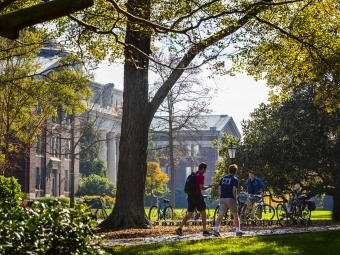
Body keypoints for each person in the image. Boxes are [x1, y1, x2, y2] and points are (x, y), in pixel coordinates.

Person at [176, 162, 213, 236]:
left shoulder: (194, 174)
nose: (205, 171)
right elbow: (201, 187)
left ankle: (180, 228)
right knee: (203, 212)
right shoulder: (201, 176)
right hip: (197, 196)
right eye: (205, 170)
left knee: (189, 213)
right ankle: (204, 230)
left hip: (190, 196)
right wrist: (209, 186)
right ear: (202, 169)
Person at [213, 164, 243, 237]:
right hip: (230, 198)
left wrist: (221, 196)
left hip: (222, 199)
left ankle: (216, 230)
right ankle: (238, 231)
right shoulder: (234, 179)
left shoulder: (223, 178)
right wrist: (235, 199)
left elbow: (219, 189)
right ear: (235, 171)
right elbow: (234, 190)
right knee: (235, 216)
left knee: (220, 215)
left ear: (228, 170)